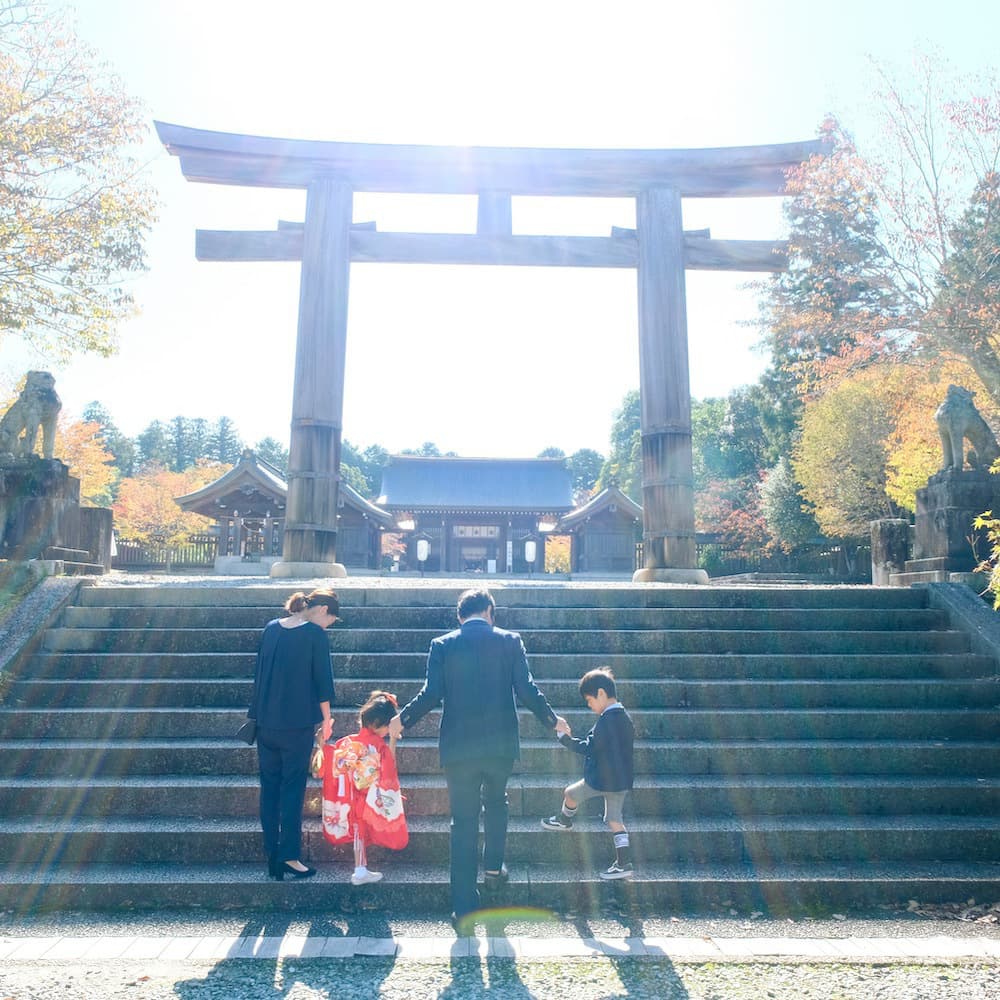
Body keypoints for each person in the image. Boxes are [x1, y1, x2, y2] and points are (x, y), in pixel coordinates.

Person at [389, 587, 565, 932]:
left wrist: (403, 718)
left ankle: (464, 908)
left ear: (460, 616)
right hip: (499, 745)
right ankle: (494, 866)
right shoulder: (510, 641)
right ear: (490, 612)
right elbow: (526, 688)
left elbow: (432, 693)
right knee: (497, 802)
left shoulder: (443, 644)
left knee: (463, 822)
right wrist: (552, 719)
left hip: (459, 747)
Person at [249, 587, 338, 881]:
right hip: (296, 726)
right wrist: (327, 721)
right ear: (323, 611)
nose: (328, 626)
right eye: (331, 620)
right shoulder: (314, 634)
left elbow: (260, 673)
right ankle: (289, 856)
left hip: (266, 724)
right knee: (291, 791)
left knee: (269, 790)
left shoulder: (272, 629)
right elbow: (323, 682)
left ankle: (271, 856)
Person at [541, 667, 636, 880]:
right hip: (620, 781)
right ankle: (624, 862)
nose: (589, 704)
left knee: (570, 793)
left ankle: (564, 820)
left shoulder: (606, 721)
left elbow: (589, 747)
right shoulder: (625, 718)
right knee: (614, 819)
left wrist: (565, 739)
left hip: (600, 779)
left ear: (601, 693)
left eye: (589, 700)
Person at [322, 690, 409, 885]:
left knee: (358, 831)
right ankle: (360, 870)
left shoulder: (347, 741)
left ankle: (360, 868)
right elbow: (390, 765)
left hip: (351, 797)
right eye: (388, 727)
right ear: (379, 725)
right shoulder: (378, 745)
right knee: (364, 828)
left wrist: (322, 744)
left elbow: (335, 765)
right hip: (370, 797)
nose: (388, 731)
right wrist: (393, 739)